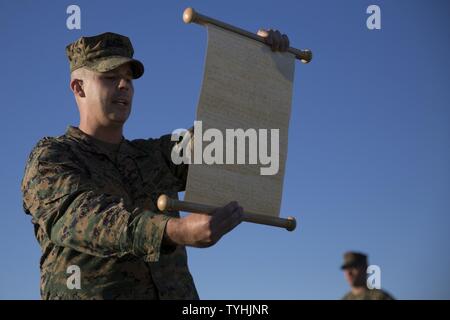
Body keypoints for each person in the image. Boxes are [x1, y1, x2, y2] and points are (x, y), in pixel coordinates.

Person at [21, 29, 290, 300]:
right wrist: (174, 231)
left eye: (128, 79)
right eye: (110, 77)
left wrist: (260, 66)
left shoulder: (156, 155)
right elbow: (83, 217)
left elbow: (233, 142)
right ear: (79, 87)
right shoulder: (52, 157)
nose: (124, 86)